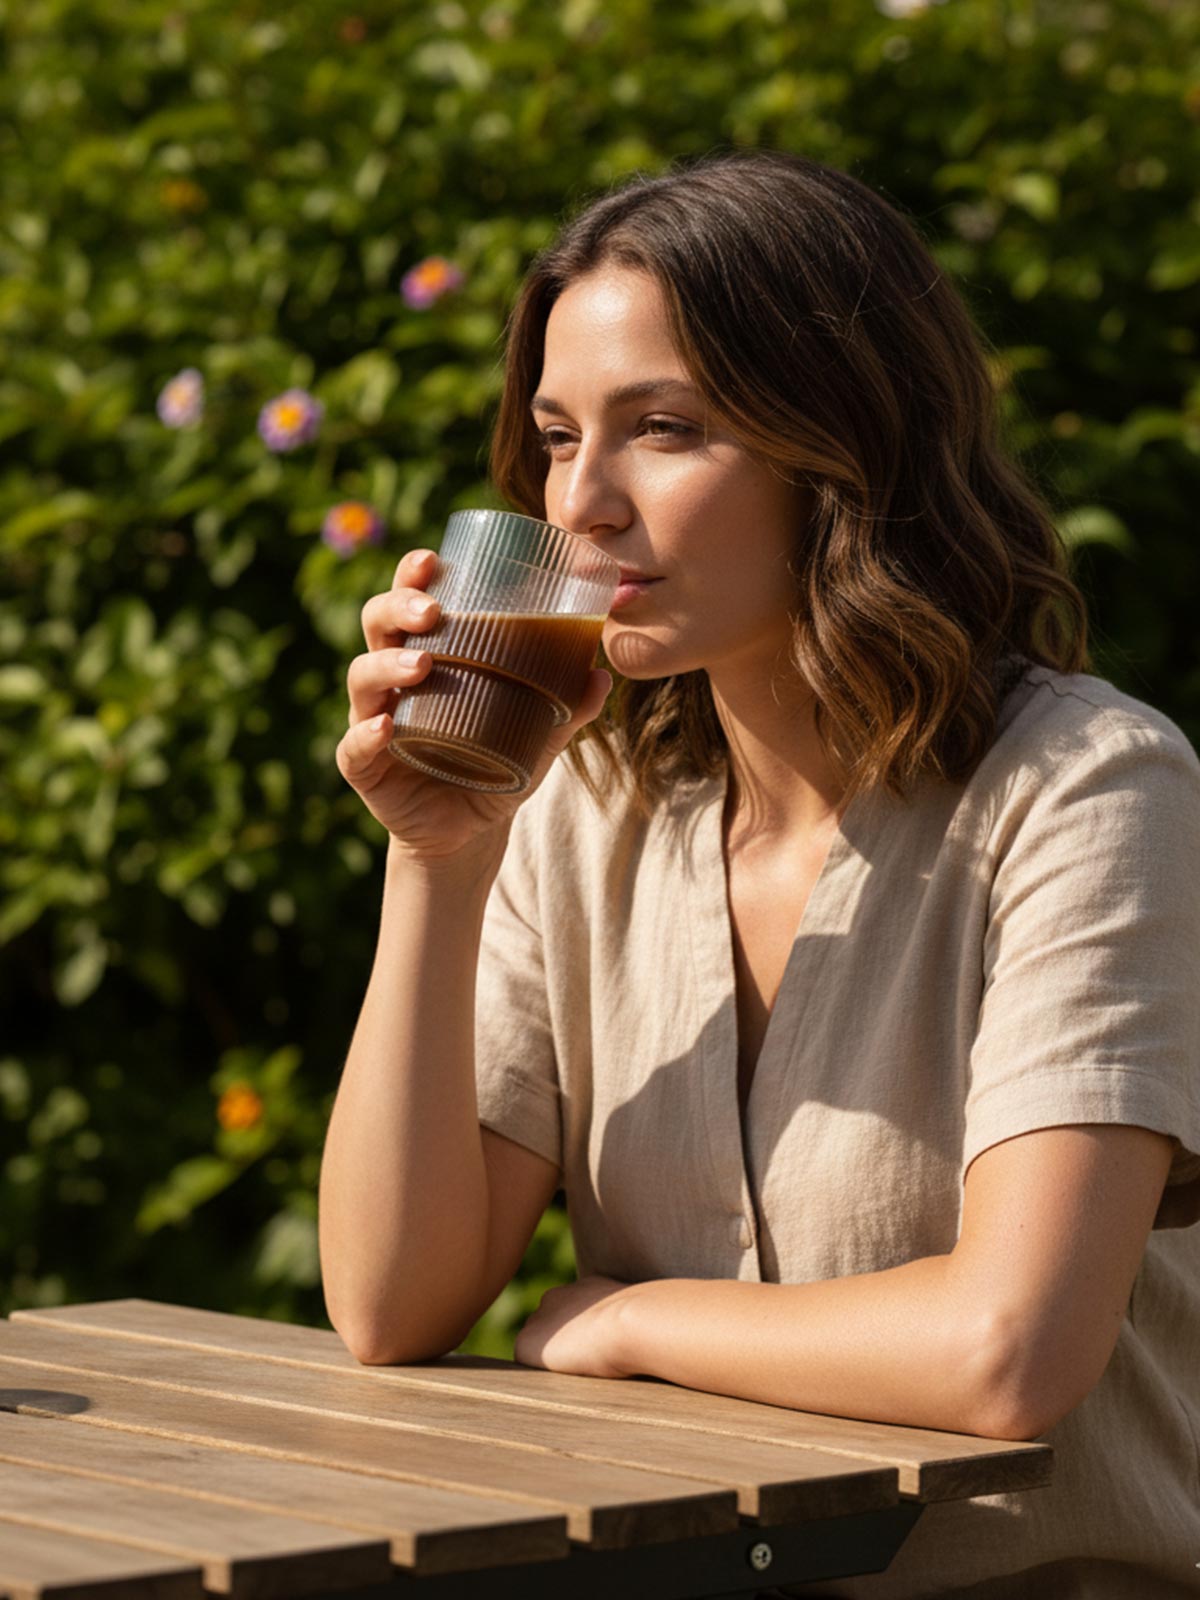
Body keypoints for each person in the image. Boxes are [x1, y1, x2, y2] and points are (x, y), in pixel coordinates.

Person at [318, 148, 1200, 1598]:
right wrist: (440, 856)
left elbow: (1008, 1353)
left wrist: (627, 1321)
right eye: (555, 437)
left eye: (661, 428)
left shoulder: (1086, 790)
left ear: (842, 445)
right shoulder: (584, 806)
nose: (583, 502)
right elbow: (389, 1300)